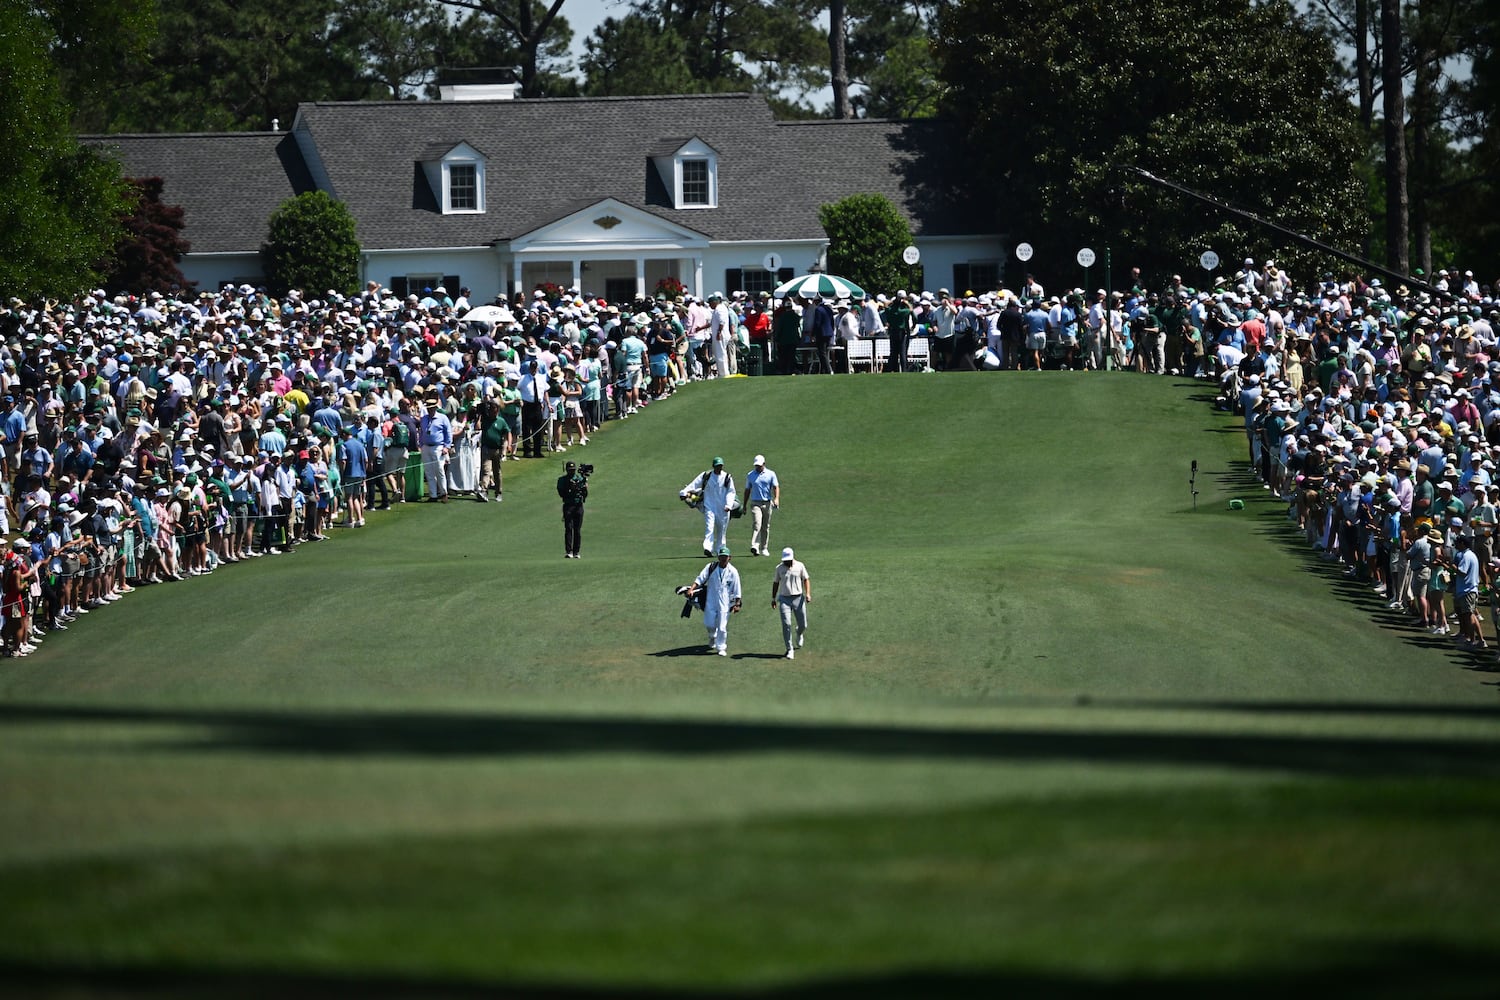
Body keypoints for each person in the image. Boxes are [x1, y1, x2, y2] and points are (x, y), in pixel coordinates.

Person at [685, 545, 741, 656]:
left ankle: (721, 647)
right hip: (711, 599)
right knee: (709, 623)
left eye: (725, 557)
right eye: (721, 556)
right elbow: (700, 579)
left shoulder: (733, 572)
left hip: (725, 602)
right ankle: (712, 636)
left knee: (722, 626)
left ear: (729, 557)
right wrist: (691, 589)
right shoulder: (711, 567)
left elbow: (737, 588)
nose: (723, 559)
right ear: (718, 557)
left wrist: (737, 604)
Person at [681, 456, 735, 556]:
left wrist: (728, 505)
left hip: (723, 508)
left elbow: (731, 492)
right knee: (709, 527)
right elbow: (694, 484)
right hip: (709, 506)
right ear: (713, 466)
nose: (719, 468)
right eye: (717, 466)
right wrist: (684, 492)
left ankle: (720, 550)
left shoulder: (727, 477)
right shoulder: (706, 475)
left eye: (720, 466)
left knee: (721, 530)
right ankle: (708, 548)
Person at [771, 546, 810, 659]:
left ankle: (799, 633)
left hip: (798, 598)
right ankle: (789, 649)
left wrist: (808, 593)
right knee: (786, 624)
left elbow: (806, 579)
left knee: (803, 624)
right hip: (784, 599)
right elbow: (776, 583)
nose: (786, 562)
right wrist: (773, 598)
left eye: (788, 560)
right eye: (785, 560)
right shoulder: (779, 568)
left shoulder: (800, 566)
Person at [742, 453, 779, 556]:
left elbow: (775, 487)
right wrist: (744, 505)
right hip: (755, 503)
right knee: (757, 524)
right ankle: (755, 546)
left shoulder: (771, 474)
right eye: (756, 466)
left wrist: (776, 499)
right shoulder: (750, 475)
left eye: (759, 465)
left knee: (765, 526)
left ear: (764, 464)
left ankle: (764, 548)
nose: (757, 467)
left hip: (767, 503)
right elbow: (747, 490)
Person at [556, 459, 588, 559]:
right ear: (566, 470)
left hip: (578, 506)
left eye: (573, 470)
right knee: (568, 528)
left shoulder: (579, 479)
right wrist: (570, 488)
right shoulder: (562, 480)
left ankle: (576, 552)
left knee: (577, 530)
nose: (572, 472)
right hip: (568, 506)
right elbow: (562, 494)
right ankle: (569, 551)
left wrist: (585, 488)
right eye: (570, 470)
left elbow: (585, 495)